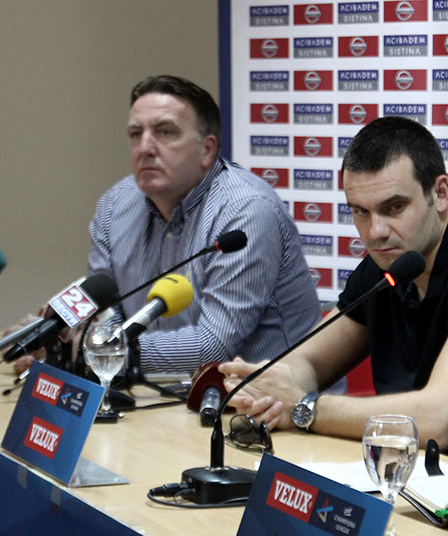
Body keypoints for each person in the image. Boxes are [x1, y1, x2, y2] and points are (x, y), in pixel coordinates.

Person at [220, 116, 448, 459]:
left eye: (394, 207)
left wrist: (306, 408)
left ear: (441, 193)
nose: (375, 232)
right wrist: (268, 390)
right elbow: (308, 361)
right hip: (435, 484)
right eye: (360, 211)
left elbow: (440, 421)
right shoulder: (386, 268)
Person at [18, 75, 319, 375]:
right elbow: (106, 311)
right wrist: (69, 342)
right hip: (155, 390)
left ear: (207, 150)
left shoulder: (246, 211)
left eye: (165, 132)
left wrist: (100, 351)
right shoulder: (115, 205)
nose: (145, 147)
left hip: (264, 396)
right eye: (136, 134)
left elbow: (214, 345)